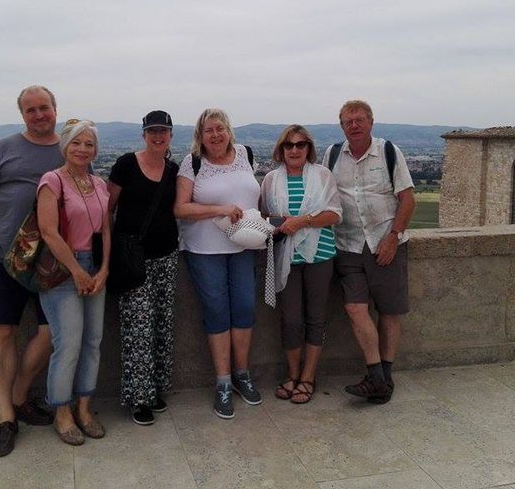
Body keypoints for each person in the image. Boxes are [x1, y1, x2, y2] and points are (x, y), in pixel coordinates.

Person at [0, 85, 60, 457]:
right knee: (3, 333)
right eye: (31, 110)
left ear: (55, 109)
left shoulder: (71, 149)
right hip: (1, 257)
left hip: (51, 260)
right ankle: (6, 417)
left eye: (44, 108)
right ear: (22, 115)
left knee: (52, 333)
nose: (39, 115)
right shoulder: (1, 149)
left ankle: (18, 397)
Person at [323, 100, 415, 404]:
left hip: (384, 243)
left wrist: (393, 237)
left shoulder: (389, 152)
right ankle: (376, 376)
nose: (354, 125)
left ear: (371, 123)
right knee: (354, 308)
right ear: (342, 127)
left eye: (360, 120)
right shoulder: (332, 155)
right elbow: (322, 195)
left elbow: (407, 199)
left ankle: (383, 378)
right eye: (348, 121)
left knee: (389, 311)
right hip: (347, 244)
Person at [174, 108, 262, 419]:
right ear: (200, 135)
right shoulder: (193, 162)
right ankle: (223, 381)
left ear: (229, 130)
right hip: (205, 250)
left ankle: (242, 374)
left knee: (244, 309)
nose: (215, 134)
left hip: (243, 246)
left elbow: (255, 196)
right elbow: (180, 209)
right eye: (209, 130)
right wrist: (219, 209)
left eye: (220, 128)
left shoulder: (246, 154)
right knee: (216, 312)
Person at [36, 118, 110, 445]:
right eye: (77, 143)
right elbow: (48, 231)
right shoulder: (52, 181)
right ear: (65, 146)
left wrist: (104, 268)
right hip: (63, 269)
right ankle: (61, 411)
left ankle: (84, 407)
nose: (83, 149)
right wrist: (76, 271)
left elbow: (106, 230)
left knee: (93, 340)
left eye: (89, 144)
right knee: (68, 343)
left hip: (95, 267)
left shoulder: (100, 184)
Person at [107, 110, 179, 426]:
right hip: (131, 259)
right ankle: (139, 397)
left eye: (163, 130)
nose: (158, 135)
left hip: (166, 256)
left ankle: (153, 390)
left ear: (171, 135)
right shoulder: (125, 164)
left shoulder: (174, 169)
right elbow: (106, 212)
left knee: (162, 323)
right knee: (138, 328)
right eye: (152, 131)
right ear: (144, 134)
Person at [260, 125, 341, 404]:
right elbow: (264, 215)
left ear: (309, 148)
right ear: (281, 149)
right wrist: (277, 222)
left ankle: (307, 378)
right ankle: (292, 375)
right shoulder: (270, 179)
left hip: (320, 254)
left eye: (301, 144)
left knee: (315, 319)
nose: (294, 150)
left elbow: (334, 214)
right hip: (286, 257)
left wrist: (302, 221)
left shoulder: (323, 175)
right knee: (291, 320)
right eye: (289, 145)